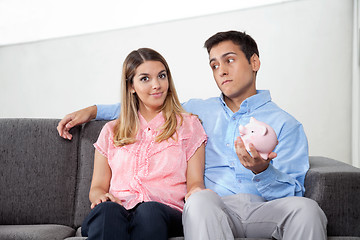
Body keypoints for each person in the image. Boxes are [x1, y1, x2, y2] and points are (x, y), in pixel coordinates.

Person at [57, 31, 327, 240]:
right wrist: (93, 110)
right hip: (213, 207)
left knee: (308, 209)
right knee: (198, 199)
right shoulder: (197, 109)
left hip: (265, 208)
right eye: (214, 65)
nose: (221, 70)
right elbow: (145, 106)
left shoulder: (287, 125)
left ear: (254, 62)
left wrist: (263, 170)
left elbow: (295, 191)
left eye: (229, 60)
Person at [79, 48, 207, 240]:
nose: (156, 85)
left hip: (164, 212)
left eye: (161, 76)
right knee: (107, 212)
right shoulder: (111, 131)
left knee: (149, 212)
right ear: (131, 86)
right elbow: (97, 187)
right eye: (145, 79)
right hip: (118, 210)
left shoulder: (188, 125)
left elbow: (195, 182)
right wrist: (101, 197)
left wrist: (197, 193)